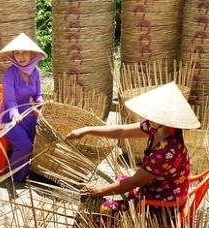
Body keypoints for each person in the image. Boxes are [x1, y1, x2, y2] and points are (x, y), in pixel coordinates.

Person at [66, 82, 200, 220]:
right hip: (159, 187)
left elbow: (134, 182)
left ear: (166, 119)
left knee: (104, 209)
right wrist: (87, 130)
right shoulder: (156, 126)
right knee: (120, 180)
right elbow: (121, 131)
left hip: (163, 203)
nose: (148, 117)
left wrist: (98, 191)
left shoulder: (166, 151)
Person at [0, 33, 46, 182]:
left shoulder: (36, 72)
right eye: (17, 53)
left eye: (25, 52)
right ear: (13, 55)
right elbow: (10, 99)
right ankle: (16, 176)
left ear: (31, 53)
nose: (21, 56)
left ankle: (30, 171)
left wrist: (40, 103)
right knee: (25, 147)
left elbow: (38, 94)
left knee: (39, 143)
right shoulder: (10, 73)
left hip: (28, 114)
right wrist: (15, 114)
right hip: (9, 117)